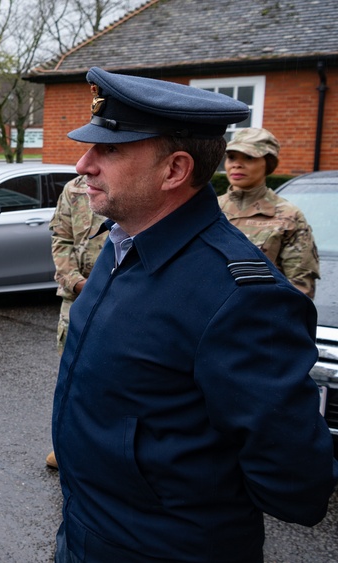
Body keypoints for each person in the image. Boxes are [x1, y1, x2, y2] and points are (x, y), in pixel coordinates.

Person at [51, 67, 337, 562]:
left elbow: (295, 480)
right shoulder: (122, 249)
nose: (83, 164)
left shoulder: (238, 295)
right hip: (84, 532)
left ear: (175, 171)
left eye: (110, 150)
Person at [44, 175, 105, 470]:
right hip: (79, 298)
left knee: (116, 377)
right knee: (71, 377)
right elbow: (62, 239)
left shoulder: (135, 181)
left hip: (127, 296)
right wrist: (77, 283)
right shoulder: (75, 188)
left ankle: (107, 450)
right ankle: (67, 445)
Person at [219, 127, 320, 298]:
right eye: (231, 157)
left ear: (268, 163)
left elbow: (301, 285)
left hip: (259, 317)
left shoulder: (288, 216)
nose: (236, 164)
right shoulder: (209, 209)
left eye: (249, 157)